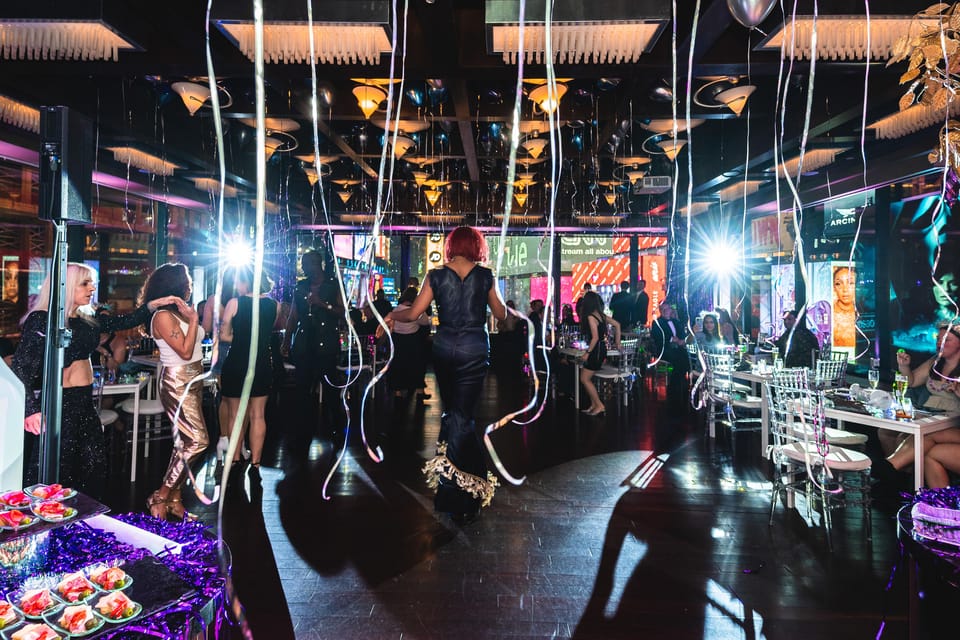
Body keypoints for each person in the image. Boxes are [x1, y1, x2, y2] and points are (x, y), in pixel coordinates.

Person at [11, 263, 181, 499]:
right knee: (60, 469)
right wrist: (30, 410)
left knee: (92, 464)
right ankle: (52, 524)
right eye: (85, 283)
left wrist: (151, 306)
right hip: (62, 404)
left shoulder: (86, 321)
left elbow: (123, 322)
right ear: (66, 286)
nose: (92, 287)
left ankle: (81, 521)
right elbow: (21, 367)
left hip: (85, 402)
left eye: (91, 282)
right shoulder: (43, 320)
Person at [388, 226, 506, 523]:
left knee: (455, 414)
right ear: (477, 246)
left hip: (444, 349)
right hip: (474, 349)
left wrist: (391, 315)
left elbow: (413, 313)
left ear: (452, 245)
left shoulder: (436, 275)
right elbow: (501, 314)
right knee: (462, 417)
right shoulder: (485, 275)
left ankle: (455, 490)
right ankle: (467, 489)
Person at [140, 263, 209, 520]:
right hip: (177, 381)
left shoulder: (179, 312)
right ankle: (160, 494)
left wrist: (193, 319)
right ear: (174, 285)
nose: (189, 286)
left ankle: (176, 502)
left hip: (194, 379)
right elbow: (184, 351)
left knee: (183, 442)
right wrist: (193, 320)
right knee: (199, 440)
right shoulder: (162, 316)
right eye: (186, 281)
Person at [281, 249, 344, 477]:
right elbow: (294, 315)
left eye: (309, 263)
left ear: (319, 264)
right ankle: (301, 435)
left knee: (329, 390)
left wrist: (322, 304)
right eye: (304, 263)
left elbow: (343, 312)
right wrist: (287, 339)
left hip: (326, 345)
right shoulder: (301, 286)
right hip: (305, 344)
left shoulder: (333, 284)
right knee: (302, 391)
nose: (306, 267)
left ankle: (336, 430)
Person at [876, 323, 960, 488]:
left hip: (951, 420)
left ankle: (891, 469)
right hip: (929, 413)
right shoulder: (935, 362)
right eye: (938, 339)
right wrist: (904, 366)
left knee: (922, 435)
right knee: (890, 432)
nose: (940, 343)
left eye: (946, 340)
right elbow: (911, 381)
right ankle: (900, 478)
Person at [219, 266, 279, 493]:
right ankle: (256, 463)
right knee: (258, 415)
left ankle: (235, 460)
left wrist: (238, 335)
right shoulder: (274, 305)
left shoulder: (235, 303)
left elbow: (224, 335)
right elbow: (266, 333)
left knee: (236, 415)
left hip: (237, 364)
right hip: (262, 365)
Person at [579, 290, 621, 417]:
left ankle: (599, 405)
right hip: (601, 349)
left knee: (584, 378)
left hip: (596, 350)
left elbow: (595, 337)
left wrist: (587, 352)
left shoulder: (591, 317)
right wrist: (617, 342)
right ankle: (594, 405)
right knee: (587, 378)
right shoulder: (600, 315)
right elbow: (617, 325)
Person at [384, 286, 431, 399]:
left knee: (398, 366)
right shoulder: (416, 311)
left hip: (397, 340)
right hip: (413, 341)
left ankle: (398, 392)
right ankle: (419, 391)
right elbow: (425, 322)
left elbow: (391, 326)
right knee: (417, 366)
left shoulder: (396, 309)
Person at [652, 302, 690, 402]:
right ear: (660, 311)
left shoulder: (676, 322)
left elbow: (682, 334)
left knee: (687, 358)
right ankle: (676, 386)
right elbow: (657, 337)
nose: (666, 311)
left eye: (667, 309)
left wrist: (682, 341)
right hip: (665, 349)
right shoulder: (657, 322)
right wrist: (672, 339)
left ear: (670, 310)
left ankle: (679, 384)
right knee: (678, 360)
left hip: (679, 348)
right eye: (663, 310)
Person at [832, 266, 857, 348]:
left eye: (850, 283)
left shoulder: (864, 311)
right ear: (834, 288)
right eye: (838, 284)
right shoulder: (830, 313)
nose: (845, 289)